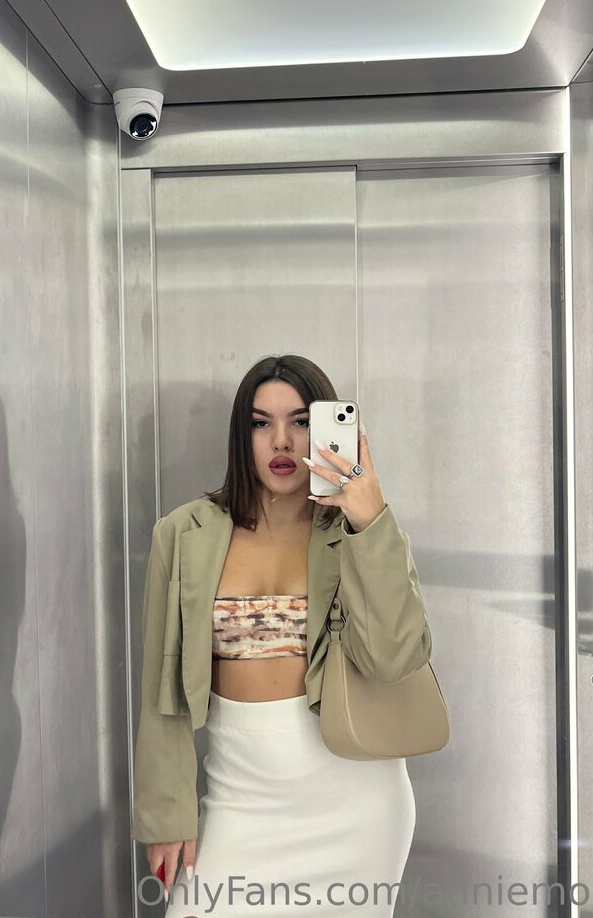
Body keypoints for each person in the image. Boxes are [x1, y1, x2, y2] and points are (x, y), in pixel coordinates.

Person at [132, 355, 433, 916]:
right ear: (240, 434)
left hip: (359, 808)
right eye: (260, 422)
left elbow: (396, 657)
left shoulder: (359, 532)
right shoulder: (184, 534)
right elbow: (161, 687)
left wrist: (370, 520)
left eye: (301, 422)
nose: (281, 441)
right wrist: (164, 813)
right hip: (239, 801)